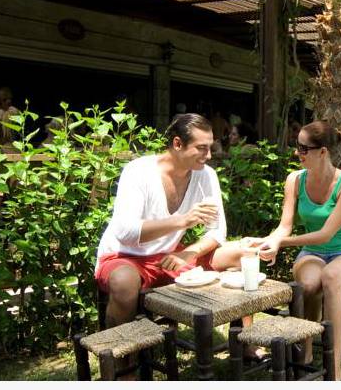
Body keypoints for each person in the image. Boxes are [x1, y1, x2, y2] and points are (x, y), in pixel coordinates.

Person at [94, 113, 253, 329]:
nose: (209, 155)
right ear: (177, 144)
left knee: (243, 254)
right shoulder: (139, 171)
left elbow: (216, 232)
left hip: (171, 255)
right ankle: (118, 347)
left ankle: (245, 340)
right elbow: (126, 233)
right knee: (124, 282)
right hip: (125, 256)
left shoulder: (206, 175)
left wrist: (188, 253)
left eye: (210, 147)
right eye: (201, 148)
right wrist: (183, 221)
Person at [247, 120, 341, 381]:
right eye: (297, 146)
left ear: (322, 151)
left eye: (303, 148)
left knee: (331, 276)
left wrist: (282, 244)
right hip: (313, 252)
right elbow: (285, 226)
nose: (296, 152)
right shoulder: (295, 180)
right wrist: (267, 240)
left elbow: (326, 234)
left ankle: (334, 368)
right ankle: (307, 347)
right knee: (310, 284)